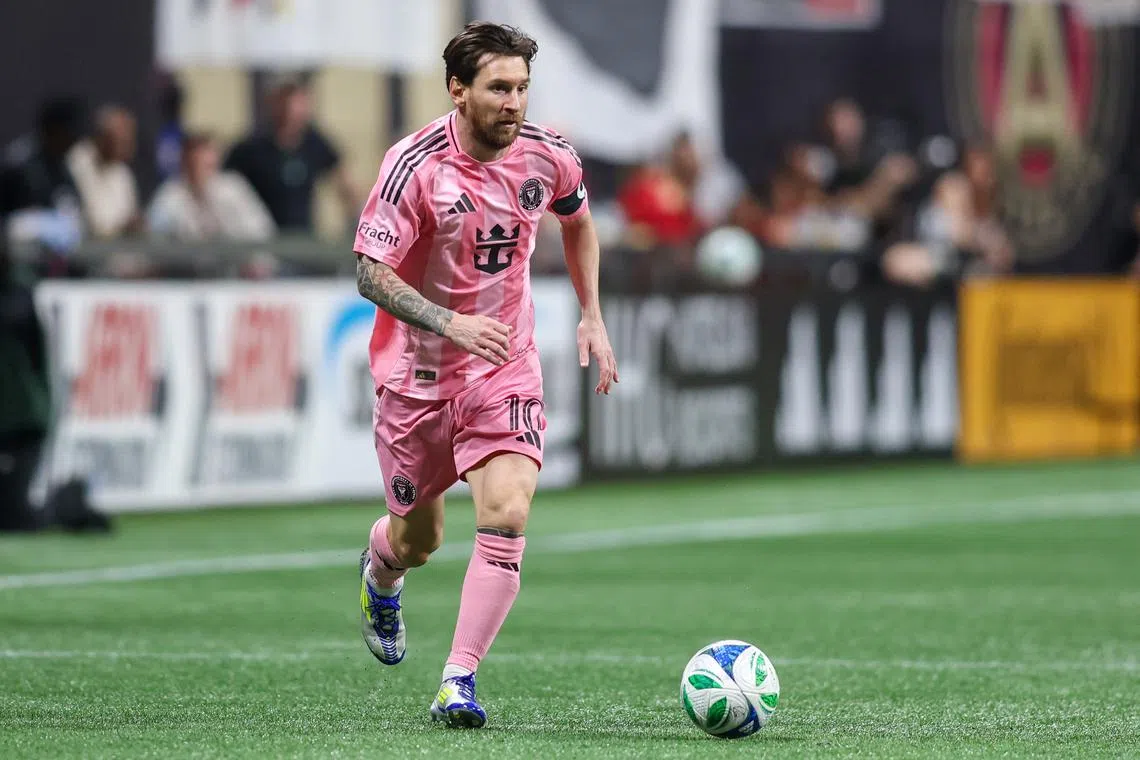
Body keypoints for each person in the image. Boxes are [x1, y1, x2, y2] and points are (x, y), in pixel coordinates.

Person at [352, 21, 618, 728]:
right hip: (418, 378)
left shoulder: (548, 156)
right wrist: (447, 321)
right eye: (499, 88)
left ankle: (457, 681)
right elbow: (368, 273)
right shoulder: (414, 166)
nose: (514, 102)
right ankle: (381, 573)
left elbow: (579, 221)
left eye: (523, 88)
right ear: (458, 90)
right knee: (420, 540)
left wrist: (592, 314)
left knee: (506, 512)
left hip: (504, 368)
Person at [225, 77, 360, 235]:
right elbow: (225, 185)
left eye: (297, 108)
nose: (291, 114)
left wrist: (355, 219)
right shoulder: (252, 147)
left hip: (303, 238)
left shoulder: (315, 143)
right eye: (285, 106)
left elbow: (344, 184)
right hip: (263, 239)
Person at [148, 132, 276, 242]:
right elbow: (154, 231)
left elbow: (260, 231)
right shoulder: (171, 192)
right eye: (193, 165)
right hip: (184, 268)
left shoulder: (233, 188)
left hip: (232, 266)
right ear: (184, 163)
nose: (199, 172)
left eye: (206, 166)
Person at [66, 105, 143, 239]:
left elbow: (130, 214)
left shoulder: (123, 172)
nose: (128, 145)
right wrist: (122, 227)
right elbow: (91, 221)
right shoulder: (78, 162)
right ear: (103, 136)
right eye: (122, 139)